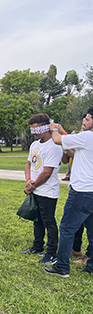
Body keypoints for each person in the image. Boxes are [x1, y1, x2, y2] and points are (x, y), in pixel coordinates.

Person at [45, 108, 93, 277]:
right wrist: (63, 129)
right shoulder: (86, 139)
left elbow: (58, 140)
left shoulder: (87, 137)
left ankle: (62, 266)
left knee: (66, 228)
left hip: (81, 192)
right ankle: (91, 265)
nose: (84, 121)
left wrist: (53, 127)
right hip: (91, 193)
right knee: (92, 230)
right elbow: (75, 151)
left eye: (87, 119)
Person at [20, 114, 63, 264]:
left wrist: (32, 186)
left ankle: (51, 253)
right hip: (36, 189)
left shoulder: (54, 145)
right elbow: (28, 164)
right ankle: (37, 247)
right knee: (37, 220)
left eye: (35, 129)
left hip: (48, 191)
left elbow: (47, 172)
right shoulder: (35, 145)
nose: (33, 133)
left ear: (45, 127)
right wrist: (28, 181)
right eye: (31, 129)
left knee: (48, 222)